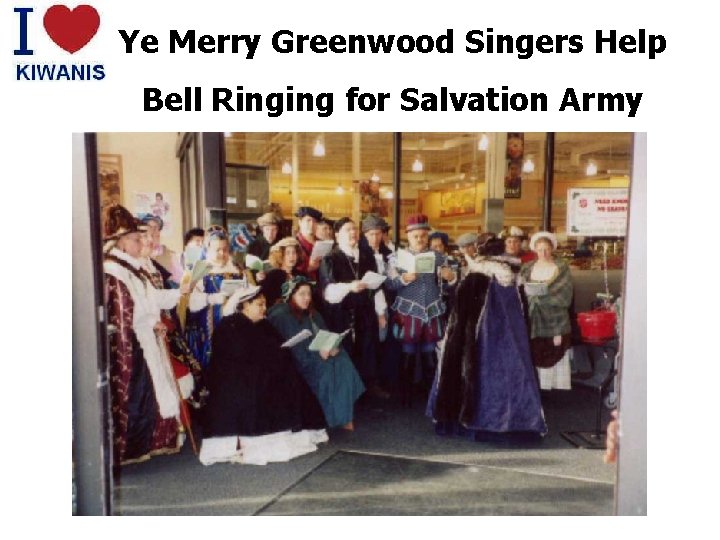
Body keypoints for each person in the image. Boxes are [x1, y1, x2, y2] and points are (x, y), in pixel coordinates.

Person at [199, 286, 328, 466]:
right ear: (245, 305)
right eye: (259, 305)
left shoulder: (263, 324)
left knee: (292, 381)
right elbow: (237, 361)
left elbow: (274, 347)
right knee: (274, 386)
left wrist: (279, 355)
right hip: (238, 381)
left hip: (261, 373)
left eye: (264, 304)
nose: (264, 309)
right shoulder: (230, 326)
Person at [427, 252, 547, 439]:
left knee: (479, 373)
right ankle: (515, 422)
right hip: (503, 340)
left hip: (481, 340)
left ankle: (471, 419)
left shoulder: (477, 277)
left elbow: (460, 318)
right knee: (511, 374)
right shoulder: (512, 279)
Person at [102, 205, 185, 466]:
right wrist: (151, 321)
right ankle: (132, 446)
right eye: (137, 239)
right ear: (122, 242)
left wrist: (181, 292)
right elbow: (125, 310)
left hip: (146, 336)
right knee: (138, 392)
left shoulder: (133, 268)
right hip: (132, 344)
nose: (142, 243)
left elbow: (151, 298)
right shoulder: (114, 271)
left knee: (153, 388)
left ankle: (153, 441)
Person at [267, 277, 365, 430]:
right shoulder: (283, 316)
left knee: (342, 360)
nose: (307, 298)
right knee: (328, 369)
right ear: (291, 295)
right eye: (302, 294)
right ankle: (334, 416)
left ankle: (344, 415)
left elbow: (325, 333)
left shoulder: (312, 313)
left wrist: (333, 345)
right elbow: (295, 351)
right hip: (301, 361)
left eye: (309, 294)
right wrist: (318, 355)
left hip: (318, 353)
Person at [385, 214, 457, 406]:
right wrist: (403, 279)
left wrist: (450, 278)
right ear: (408, 236)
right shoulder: (396, 258)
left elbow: (449, 287)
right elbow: (389, 284)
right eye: (416, 236)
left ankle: (429, 393)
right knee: (407, 352)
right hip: (408, 310)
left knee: (429, 353)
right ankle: (405, 395)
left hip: (433, 309)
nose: (419, 239)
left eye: (423, 236)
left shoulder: (440, 257)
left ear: (428, 236)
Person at [319, 218, 389, 399]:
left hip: (365, 312)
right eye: (348, 230)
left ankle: (370, 386)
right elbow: (328, 292)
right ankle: (348, 392)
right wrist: (349, 287)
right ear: (337, 235)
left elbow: (376, 285)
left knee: (368, 349)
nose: (353, 233)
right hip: (341, 313)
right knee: (346, 351)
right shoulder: (330, 258)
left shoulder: (367, 256)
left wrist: (381, 312)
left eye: (355, 229)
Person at [186, 228, 255, 370]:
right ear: (208, 249)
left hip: (237, 325)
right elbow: (192, 304)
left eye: (225, 249)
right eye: (217, 250)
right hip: (212, 327)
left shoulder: (237, 268)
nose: (222, 254)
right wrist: (213, 298)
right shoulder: (201, 270)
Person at [520, 232, 574, 391]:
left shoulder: (561, 267)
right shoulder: (527, 267)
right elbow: (521, 288)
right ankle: (534, 386)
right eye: (540, 249)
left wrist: (539, 297)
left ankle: (550, 385)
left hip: (554, 317)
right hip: (532, 315)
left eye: (546, 249)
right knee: (532, 347)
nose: (543, 253)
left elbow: (564, 292)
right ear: (535, 250)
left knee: (552, 346)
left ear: (552, 249)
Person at [262, 237, 303, 307]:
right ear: (280, 256)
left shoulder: (302, 275)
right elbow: (268, 301)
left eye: (294, 252)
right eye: (287, 253)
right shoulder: (273, 276)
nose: (292, 256)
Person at [143, 215, 183, 285]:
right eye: (150, 227)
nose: (154, 230)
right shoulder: (139, 254)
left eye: (156, 227)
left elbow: (181, 279)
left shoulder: (168, 254)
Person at [295, 206, 324, 281]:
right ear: (300, 222)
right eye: (308, 220)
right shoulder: (293, 244)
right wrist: (309, 268)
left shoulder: (322, 244)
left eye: (314, 221)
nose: (311, 224)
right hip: (303, 287)